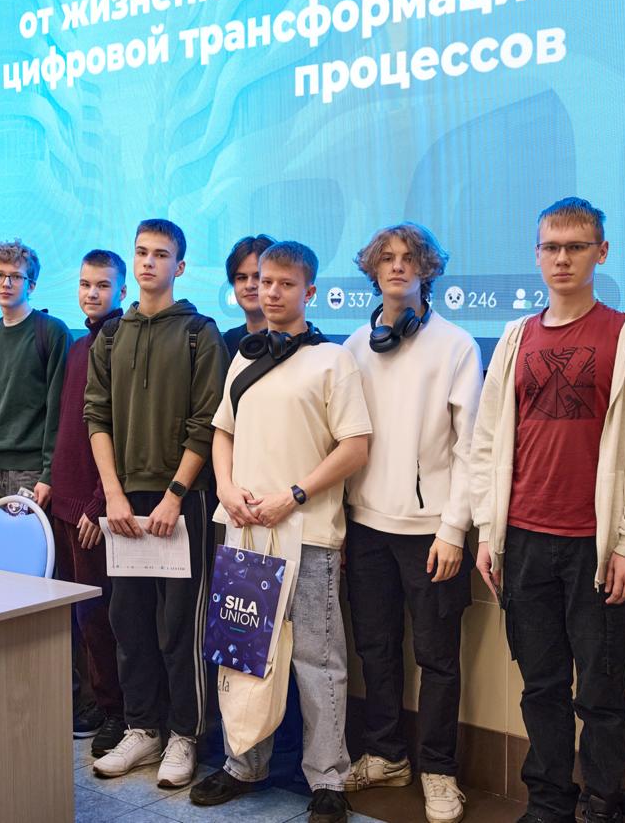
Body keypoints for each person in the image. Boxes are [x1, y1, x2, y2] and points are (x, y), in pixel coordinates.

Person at [470, 198, 625, 823]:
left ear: (601, 253)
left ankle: (605, 804)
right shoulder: (515, 337)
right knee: (542, 686)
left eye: (576, 247)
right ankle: (550, 802)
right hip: (524, 539)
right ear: (536, 255)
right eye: (551, 247)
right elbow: (487, 441)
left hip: (597, 547)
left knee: (602, 691)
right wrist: (486, 532)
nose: (563, 259)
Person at [189, 241, 372, 823]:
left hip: (308, 532)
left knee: (318, 661)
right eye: (264, 281)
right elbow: (222, 431)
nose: (270, 292)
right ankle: (244, 763)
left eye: (285, 284)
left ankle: (328, 779)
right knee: (244, 653)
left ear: (309, 292)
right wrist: (225, 486)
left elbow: (355, 446)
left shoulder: (332, 360)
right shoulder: (243, 357)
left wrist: (293, 495)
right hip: (244, 529)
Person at [342, 223, 482, 823]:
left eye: (409, 258)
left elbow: (473, 448)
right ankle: (386, 756)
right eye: (387, 259)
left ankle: (439, 771)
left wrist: (454, 530)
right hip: (365, 529)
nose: (397, 267)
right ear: (373, 270)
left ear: (427, 270)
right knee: (375, 649)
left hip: (432, 534)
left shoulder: (456, 346)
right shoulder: (354, 346)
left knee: (438, 659)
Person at [85, 218, 226, 789]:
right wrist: (113, 494)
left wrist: (174, 495)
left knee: (178, 626)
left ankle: (184, 735)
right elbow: (97, 415)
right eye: (141, 252)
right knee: (129, 620)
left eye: (161, 254)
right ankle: (142, 728)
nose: (148, 262)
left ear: (180, 266)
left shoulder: (199, 333)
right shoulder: (111, 335)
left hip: (181, 502)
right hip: (124, 503)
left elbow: (207, 423)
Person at [51, 249, 127, 757]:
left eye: (102, 285)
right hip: (64, 499)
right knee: (80, 616)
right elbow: (68, 425)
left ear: (121, 290)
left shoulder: (122, 343)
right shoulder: (79, 346)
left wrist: (98, 505)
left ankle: (117, 710)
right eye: (85, 284)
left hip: (93, 509)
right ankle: (98, 701)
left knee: (103, 616)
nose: (92, 293)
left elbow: (117, 431)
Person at [0, 240, 70, 513]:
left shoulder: (52, 332)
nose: (6, 283)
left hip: (31, 470)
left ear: (31, 285)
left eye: (16, 276)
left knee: (26, 541)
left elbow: (58, 410)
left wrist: (48, 473)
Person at [221, 234, 275, 357]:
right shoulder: (227, 341)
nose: (249, 285)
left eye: (258, 276)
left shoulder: (300, 341)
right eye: (241, 278)